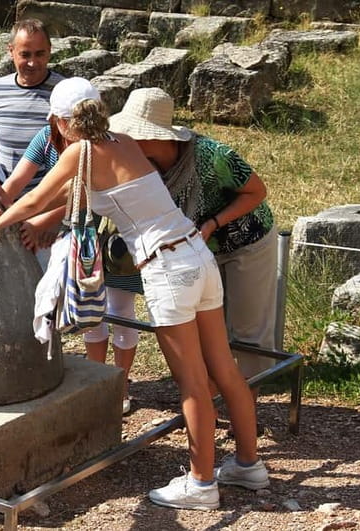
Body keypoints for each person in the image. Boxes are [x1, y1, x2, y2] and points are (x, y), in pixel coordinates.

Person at [0, 77, 268, 510]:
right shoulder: (123, 142)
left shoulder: (79, 152)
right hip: (196, 254)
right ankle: (248, 465)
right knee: (223, 368)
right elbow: (77, 197)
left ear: (58, 120)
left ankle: (202, 484)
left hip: (167, 267)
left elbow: (37, 200)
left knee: (191, 383)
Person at [109, 88, 278, 404]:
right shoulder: (140, 164)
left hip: (246, 242)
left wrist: (213, 222)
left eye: (133, 134)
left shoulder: (211, 155)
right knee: (204, 330)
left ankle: (247, 406)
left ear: (158, 136)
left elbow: (256, 192)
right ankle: (212, 403)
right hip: (197, 251)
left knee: (247, 329)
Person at [0, 82, 140, 414]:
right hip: (81, 232)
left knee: (120, 309)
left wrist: (40, 221)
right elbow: (17, 186)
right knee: (87, 307)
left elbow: (87, 194)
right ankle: (98, 381)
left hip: (114, 234)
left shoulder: (101, 145)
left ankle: (119, 384)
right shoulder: (47, 139)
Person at [0, 18, 64, 188]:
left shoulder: (64, 93)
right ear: (11, 51)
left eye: (40, 54)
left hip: (48, 202)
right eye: (25, 54)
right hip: (1, 196)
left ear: (50, 50)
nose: (32, 63)